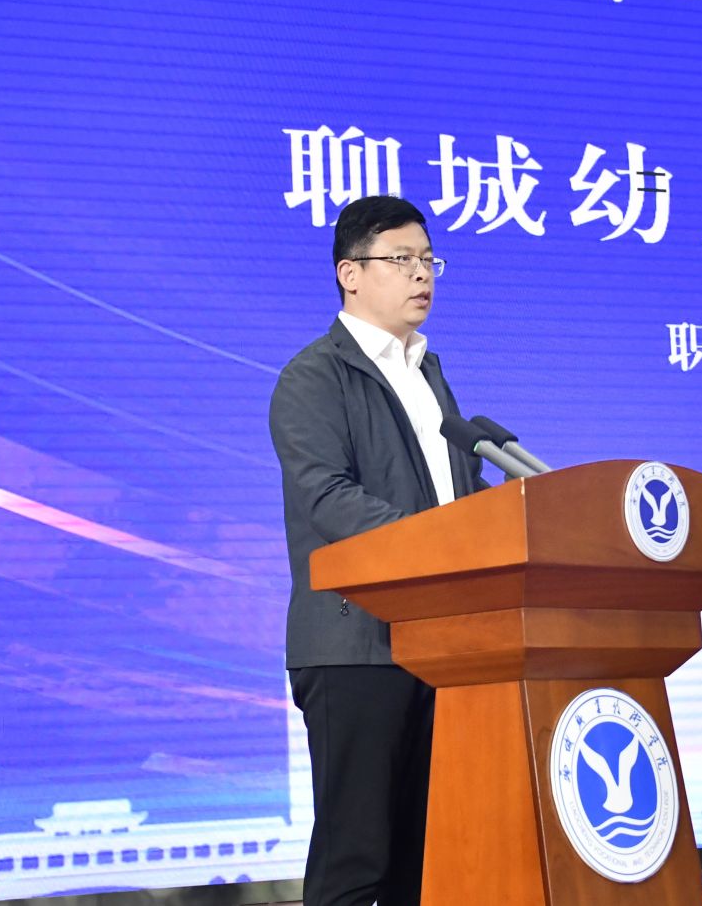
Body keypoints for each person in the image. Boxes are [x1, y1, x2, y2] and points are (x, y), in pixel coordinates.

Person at [270, 195, 487, 906]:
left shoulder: (429, 374)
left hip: (437, 643)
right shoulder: (314, 376)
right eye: (401, 259)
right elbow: (327, 497)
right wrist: (441, 541)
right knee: (354, 860)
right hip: (354, 646)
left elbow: (460, 492)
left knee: (423, 861)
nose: (421, 274)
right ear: (350, 274)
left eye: (428, 260)